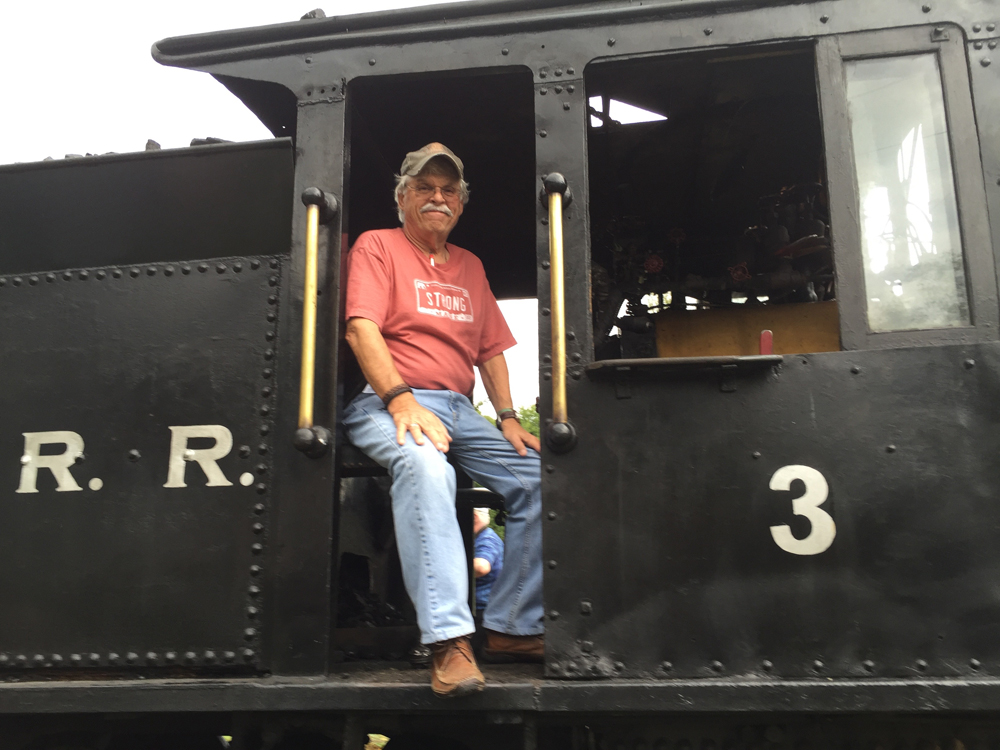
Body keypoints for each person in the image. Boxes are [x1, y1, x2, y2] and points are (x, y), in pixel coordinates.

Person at [342, 143, 543, 698]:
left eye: (448, 190)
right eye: (425, 187)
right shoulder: (378, 246)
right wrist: (401, 400)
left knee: (541, 476)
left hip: (459, 406)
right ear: (403, 196)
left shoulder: (470, 265)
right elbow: (362, 328)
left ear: (460, 204)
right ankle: (448, 641)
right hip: (387, 400)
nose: (438, 197)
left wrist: (506, 417)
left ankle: (512, 627)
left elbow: (492, 348)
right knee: (426, 467)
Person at [472, 508, 504, 616]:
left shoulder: (487, 538)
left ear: (474, 517)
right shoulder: (479, 537)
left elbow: (481, 567)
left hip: (482, 612)